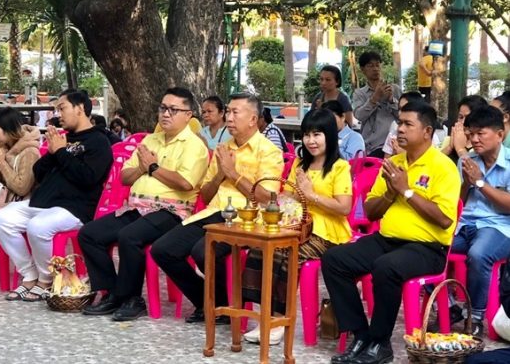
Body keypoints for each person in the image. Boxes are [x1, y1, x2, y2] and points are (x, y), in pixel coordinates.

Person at [322, 101, 461, 364]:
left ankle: (380, 343)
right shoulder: (393, 163)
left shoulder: (444, 167)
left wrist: (406, 191)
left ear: (427, 131)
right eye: (399, 123)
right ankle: (361, 335)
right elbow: (371, 212)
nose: (400, 129)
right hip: (386, 240)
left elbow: (444, 220)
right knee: (334, 260)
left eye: (408, 124)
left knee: (386, 267)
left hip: (427, 248)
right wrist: (389, 192)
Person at [151, 92, 284, 324]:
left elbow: (266, 198)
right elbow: (206, 194)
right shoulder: (223, 148)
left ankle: (223, 305)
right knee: (163, 250)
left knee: (202, 251)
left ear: (253, 119)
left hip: (246, 218)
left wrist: (233, 174)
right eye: (228, 111)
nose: (229, 117)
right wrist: (220, 174)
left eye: (235, 112)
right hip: (214, 212)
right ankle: (209, 301)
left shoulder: (269, 151)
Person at [79, 87, 209, 321]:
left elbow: (185, 183)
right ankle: (112, 293)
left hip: (172, 211)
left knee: (129, 236)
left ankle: (133, 299)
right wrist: (142, 167)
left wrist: (152, 168)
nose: (166, 114)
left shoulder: (194, 145)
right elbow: (125, 177)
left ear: (188, 115)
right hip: (137, 207)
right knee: (89, 234)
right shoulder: (150, 140)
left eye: (173, 109)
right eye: (163, 108)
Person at [242, 108, 353, 345]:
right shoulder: (300, 165)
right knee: (261, 249)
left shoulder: (340, 167)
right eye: (307, 135)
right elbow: (290, 196)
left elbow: (344, 208)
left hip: (326, 233)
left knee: (286, 253)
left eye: (317, 134)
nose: (311, 141)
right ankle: (265, 316)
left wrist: (311, 196)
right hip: (296, 226)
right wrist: (278, 202)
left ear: (330, 135)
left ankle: (278, 320)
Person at [0, 89, 113, 302]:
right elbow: (38, 172)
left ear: (80, 108)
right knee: (0, 219)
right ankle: (29, 275)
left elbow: (87, 178)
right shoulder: (63, 139)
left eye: (62, 108)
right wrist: (53, 152)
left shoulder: (99, 142)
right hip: (42, 203)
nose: (58, 114)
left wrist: (61, 153)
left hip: (73, 208)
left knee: (38, 226)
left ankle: (46, 280)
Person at [447, 106, 510, 336]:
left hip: (499, 226)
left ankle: (474, 317)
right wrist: (466, 183)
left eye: (480, 133)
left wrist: (480, 183)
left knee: (479, 254)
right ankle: (449, 307)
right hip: (466, 224)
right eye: (471, 133)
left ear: (500, 134)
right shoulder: (467, 161)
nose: (474, 139)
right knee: (428, 245)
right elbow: (457, 202)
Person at [0, 108, 40, 283]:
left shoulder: (30, 152)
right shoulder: (4, 148)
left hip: (22, 205)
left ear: (8, 129)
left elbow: (21, 188)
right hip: (1, 202)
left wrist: (2, 163)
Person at [352, 51, 401, 158]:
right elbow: (359, 116)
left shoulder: (395, 89)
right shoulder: (359, 93)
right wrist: (374, 98)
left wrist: (391, 100)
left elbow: (403, 115)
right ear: (363, 69)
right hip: (371, 146)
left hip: (394, 145)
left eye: (377, 65)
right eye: (370, 66)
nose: (375, 69)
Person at [441, 95, 488, 161]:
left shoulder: (482, 144)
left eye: (468, 117)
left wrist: (460, 148)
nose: (463, 122)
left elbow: (474, 166)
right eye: (460, 117)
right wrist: (449, 147)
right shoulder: (448, 140)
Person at [382, 92, 427, 158]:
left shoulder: (427, 134)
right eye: (400, 108)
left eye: (406, 109)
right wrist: (394, 155)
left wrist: (404, 154)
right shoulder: (393, 135)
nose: (401, 112)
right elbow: (386, 161)